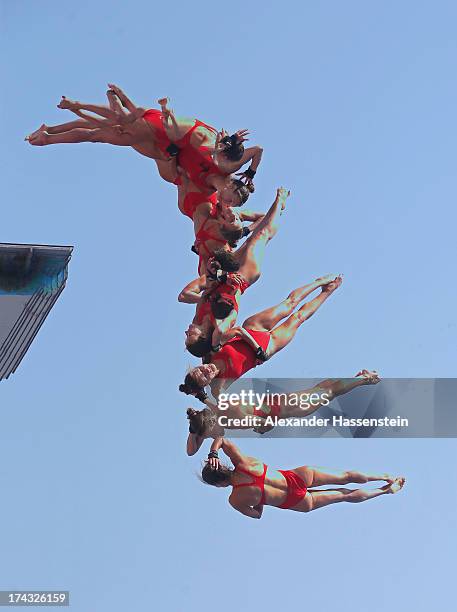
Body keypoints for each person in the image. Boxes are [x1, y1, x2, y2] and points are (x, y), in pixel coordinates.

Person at [26, 85, 263, 194]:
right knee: (115, 122)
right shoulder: (231, 164)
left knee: (101, 133)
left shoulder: (206, 186)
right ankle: (69, 115)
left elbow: (175, 177)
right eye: (229, 198)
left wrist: (170, 161)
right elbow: (257, 149)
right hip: (164, 131)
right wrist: (250, 173)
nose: (225, 200)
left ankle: (52, 130)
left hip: (163, 149)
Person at [179, 274, 343, 400]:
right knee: (298, 318)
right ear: (207, 383)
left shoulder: (210, 353)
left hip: (253, 330)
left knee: (289, 304)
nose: (207, 370)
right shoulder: (220, 387)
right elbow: (220, 407)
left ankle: (318, 282)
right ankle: (327, 292)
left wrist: (256, 348)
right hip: (268, 346)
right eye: (206, 376)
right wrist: (200, 396)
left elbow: (237, 331)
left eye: (201, 370)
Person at [179, 187, 290, 356]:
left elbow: (190, 295)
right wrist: (257, 349)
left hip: (224, 273)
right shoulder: (221, 328)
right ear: (202, 336)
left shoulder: (198, 318)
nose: (187, 332)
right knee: (261, 236)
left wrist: (212, 284)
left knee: (252, 238)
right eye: (190, 336)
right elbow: (237, 324)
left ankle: (276, 210)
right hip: (241, 279)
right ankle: (280, 201)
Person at [199, 438, 405, 519]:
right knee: (345, 476)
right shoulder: (243, 463)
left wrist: (260, 499)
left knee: (344, 496)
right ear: (221, 466)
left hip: (295, 501)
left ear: (218, 484)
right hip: (296, 478)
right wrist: (213, 453)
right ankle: (384, 476)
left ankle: (385, 491)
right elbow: (222, 438)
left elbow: (257, 515)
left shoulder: (235, 500)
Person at [186, 370, 380, 454]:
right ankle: (355, 380)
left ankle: (363, 380)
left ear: (210, 426)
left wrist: (261, 428)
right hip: (283, 402)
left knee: (329, 390)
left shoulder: (233, 421)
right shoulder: (220, 410)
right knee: (326, 387)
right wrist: (196, 417)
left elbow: (265, 424)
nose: (208, 438)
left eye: (206, 435)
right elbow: (191, 450)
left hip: (290, 407)